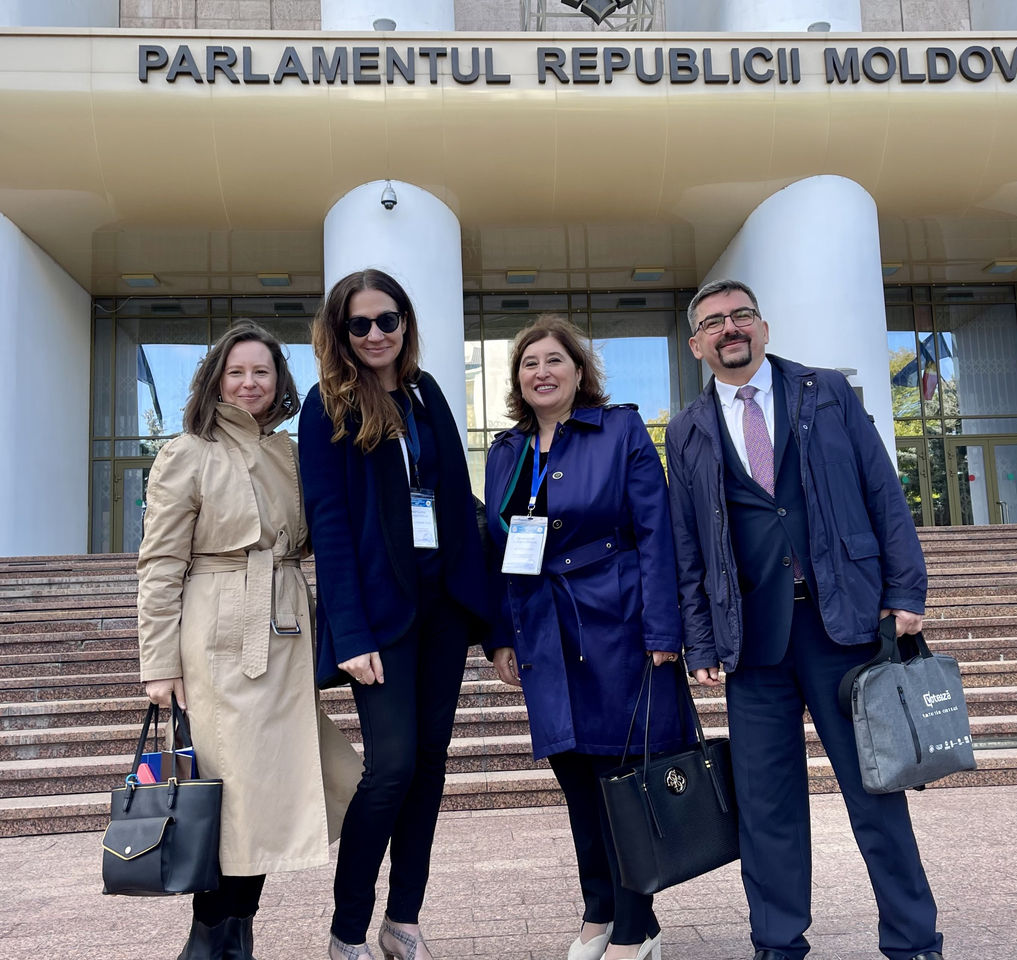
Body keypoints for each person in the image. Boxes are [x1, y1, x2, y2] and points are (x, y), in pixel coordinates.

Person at [665, 279, 944, 960]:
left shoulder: (827, 393)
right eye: (714, 322)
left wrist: (907, 590)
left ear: (762, 327)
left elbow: (883, 488)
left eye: (741, 316)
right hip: (754, 644)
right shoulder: (688, 429)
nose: (730, 328)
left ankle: (914, 942)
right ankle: (778, 944)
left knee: (876, 795)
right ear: (698, 343)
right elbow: (688, 543)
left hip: (843, 628)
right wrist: (699, 636)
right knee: (767, 810)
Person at [137, 321, 362, 960]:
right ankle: (214, 934)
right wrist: (159, 661)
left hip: (285, 632)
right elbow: (159, 564)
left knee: (274, 789)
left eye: (261, 371)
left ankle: (237, 928)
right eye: (236, 371)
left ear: (278, 380)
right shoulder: (186, 452)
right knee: (230, 792)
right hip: (217, 638)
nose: (249, 383)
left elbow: (328, 532)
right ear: (215, 379)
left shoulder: (293, 454)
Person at [299, 268, 492, 960]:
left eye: (388, 320)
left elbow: (457, 505)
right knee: (391, 768)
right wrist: (347, 631)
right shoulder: (327, 406)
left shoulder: (424, 390)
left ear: (405, 324)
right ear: (341, 333)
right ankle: (349, 927)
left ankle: (403, 919)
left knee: (431, 763)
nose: (376, 333)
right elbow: (329, 524)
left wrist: (490, 622)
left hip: (441, 609)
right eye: (361, 323)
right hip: (378, 620)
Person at [483, 315, 685, 960]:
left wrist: (663, 627)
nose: (541, 372)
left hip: (617, 619)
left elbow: (656, 530)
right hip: (542, 626)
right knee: (575, 773)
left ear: (578, 371)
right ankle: (598, 910)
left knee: (621, 772)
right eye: (529, 364)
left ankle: (634, 924)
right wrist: (500, 636)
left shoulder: (619, 428)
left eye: (554, 361)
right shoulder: (507, 451)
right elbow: (497, 552)